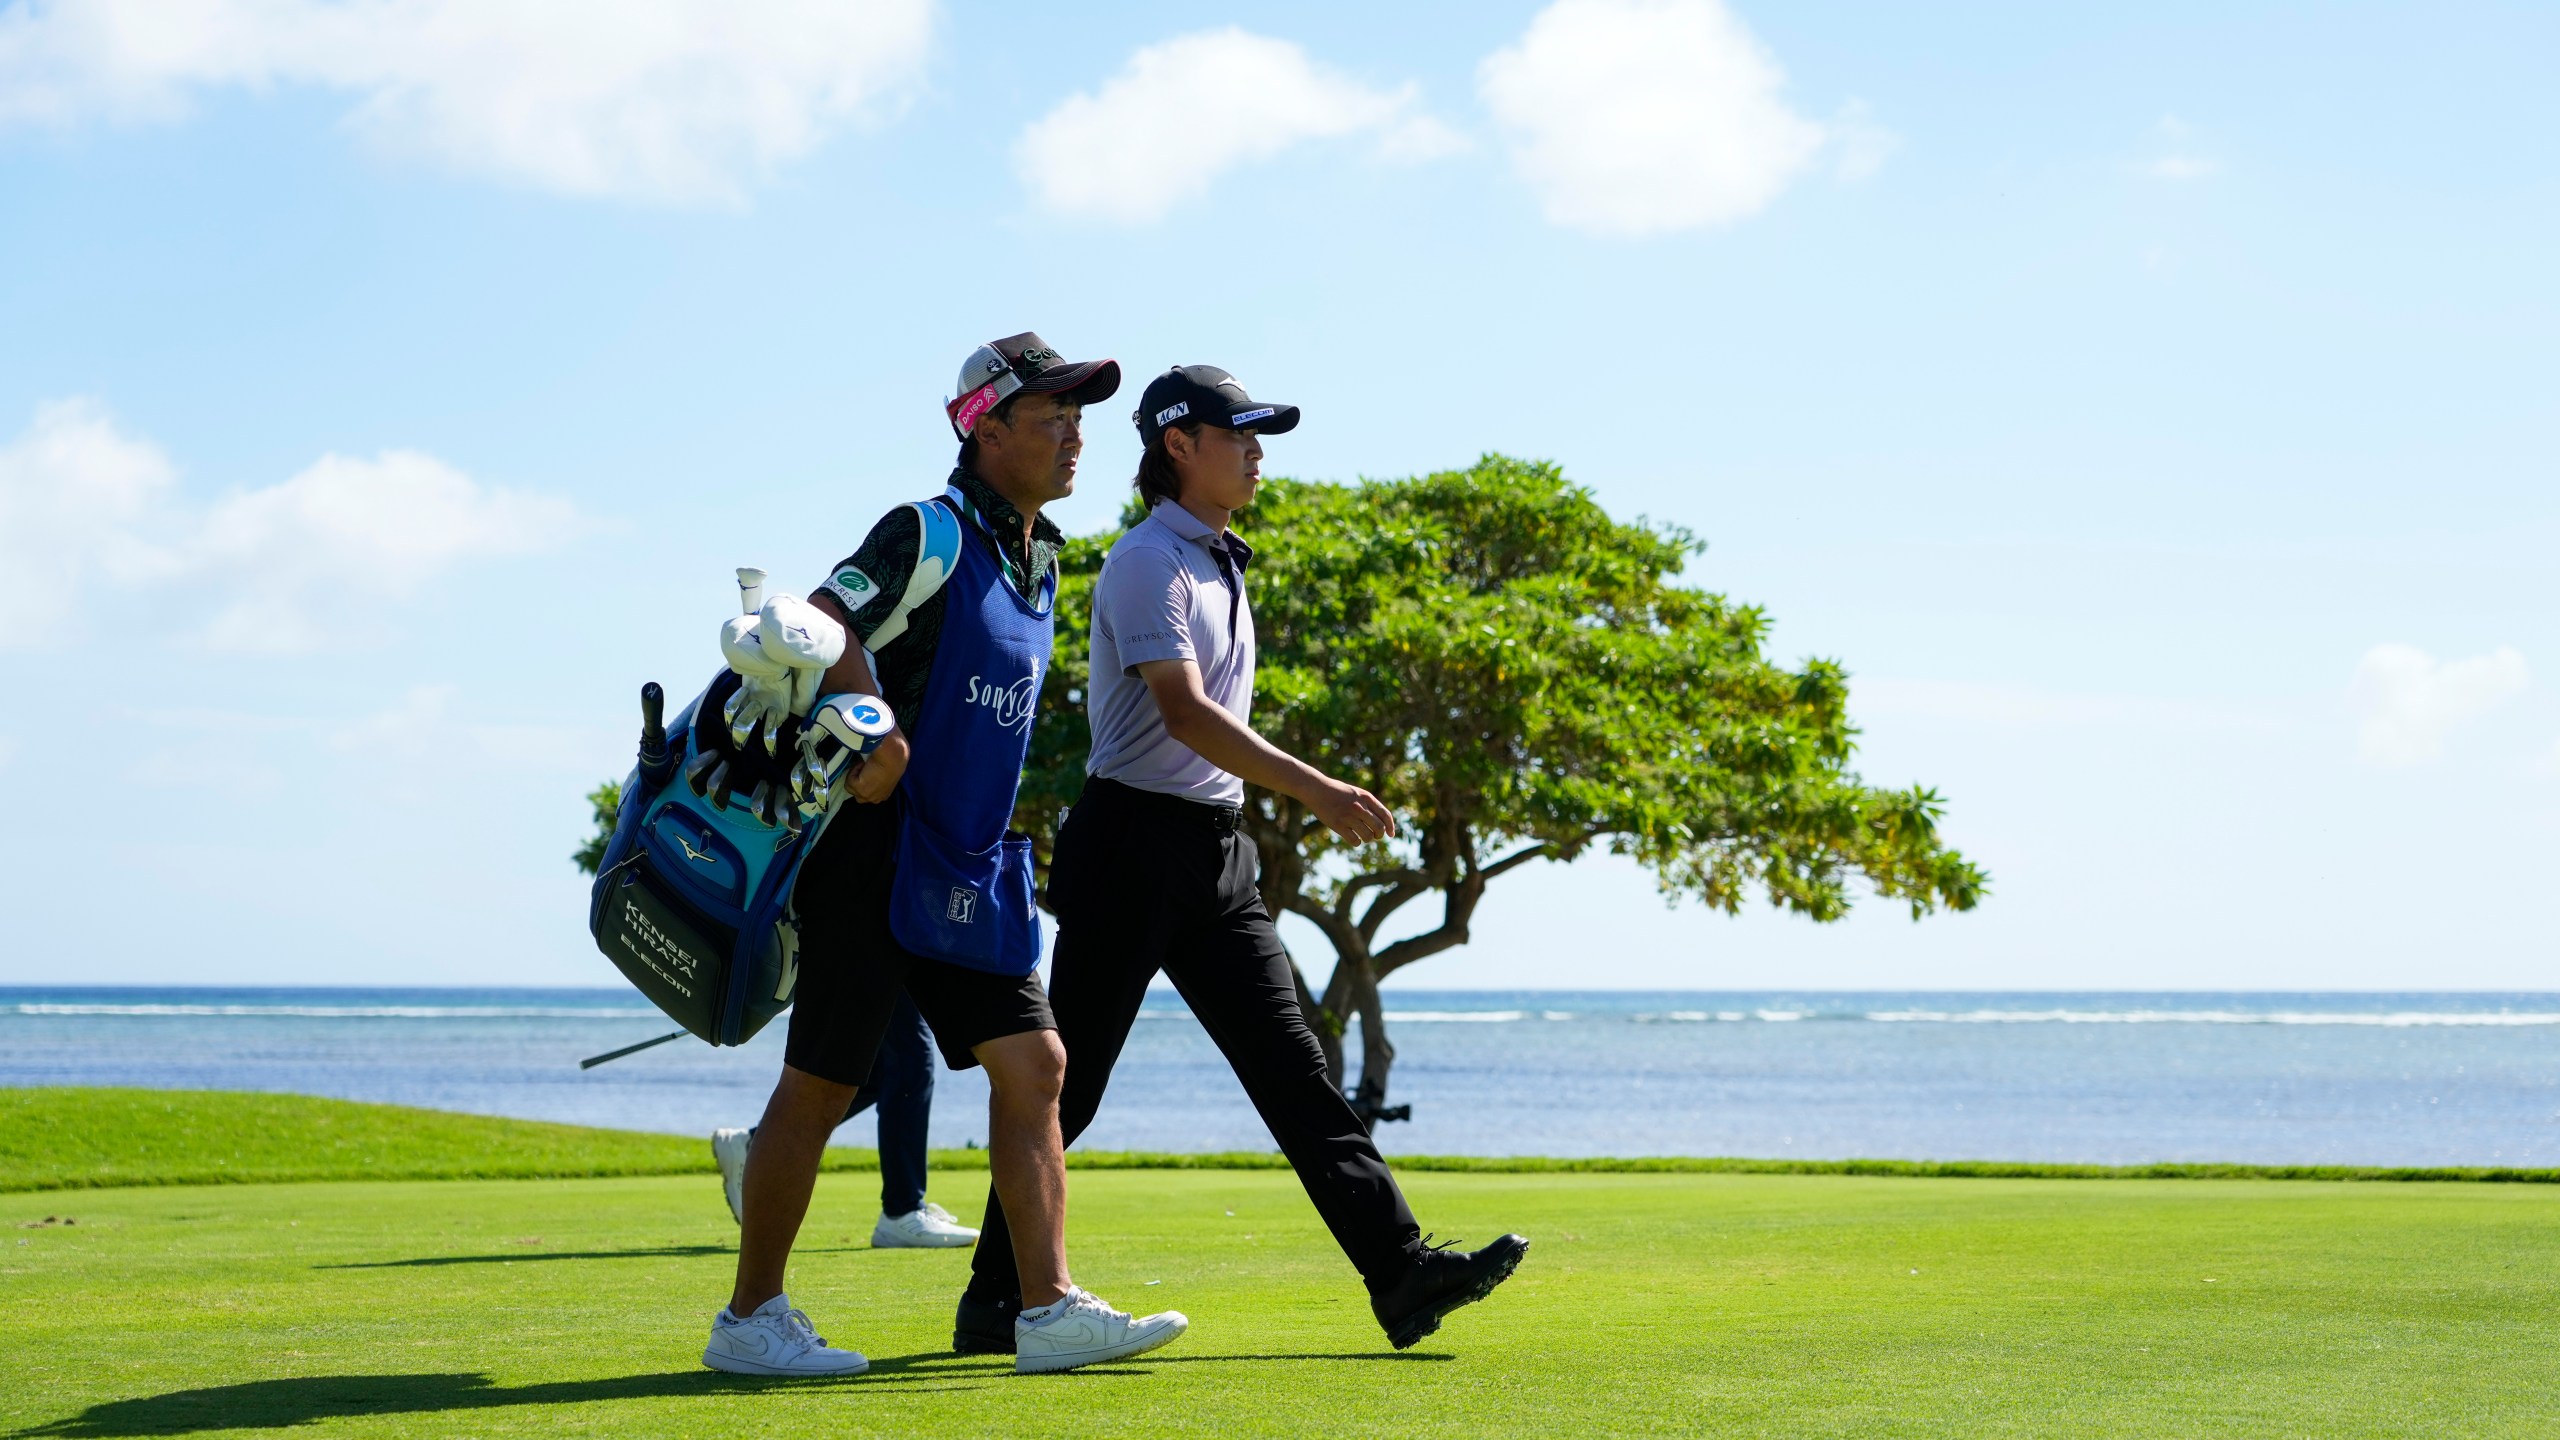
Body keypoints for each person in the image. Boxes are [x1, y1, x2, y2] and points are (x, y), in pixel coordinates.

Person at [953, 365, 1528, 1356]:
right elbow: (1181, 710)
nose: (1258, 454)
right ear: (1180, 445)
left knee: (1296, 1069)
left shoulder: (1218, 558)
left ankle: (1399, 1275)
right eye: (1241, 436)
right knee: (1066, 1088)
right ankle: (995, 1299)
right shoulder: (1148, 561)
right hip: (1131, 842)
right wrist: (1315, 788)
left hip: (1215, 851)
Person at [702, 333, 1188, 1378]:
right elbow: (825, 622)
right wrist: (872, 731)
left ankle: (1048, 1306)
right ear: (985, 425)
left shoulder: (1043, 554)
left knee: (1037, 1064)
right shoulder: (923, 530)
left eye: (1079, 416)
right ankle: (750, 1317)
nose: (1074, 435)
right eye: (1051, 414)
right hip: (870, 854)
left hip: (967, 862)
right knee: (820, 1086)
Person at [710, 994, 978, 1248]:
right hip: (888, 945)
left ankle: (755, 1142)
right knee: (910, 1057)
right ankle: (903, 1211)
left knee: (886, 1071)